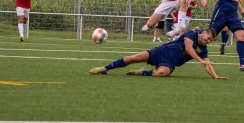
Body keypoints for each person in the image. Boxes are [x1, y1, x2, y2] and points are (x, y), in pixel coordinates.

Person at [90, 27, 228, 79]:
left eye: (211, 40)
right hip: (161, 51)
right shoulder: (191, 34)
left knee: (163, 73)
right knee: (134, 57)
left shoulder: (203, 50)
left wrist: (216, 76)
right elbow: (188, 49)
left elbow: (207, 64)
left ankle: (142, 72)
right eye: (208, 37)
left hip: (169, 63)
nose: (208, 41)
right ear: (203, 33)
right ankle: (105, 68)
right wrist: (201, 60)